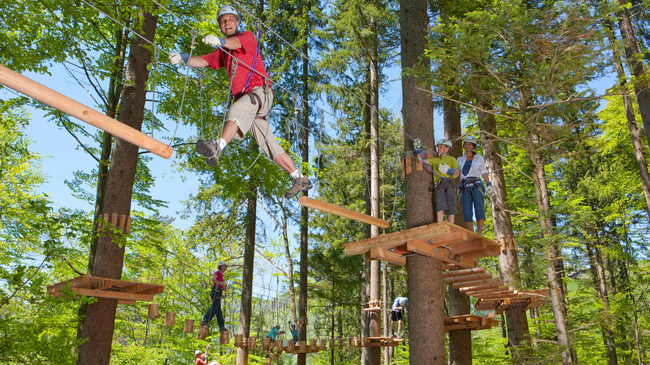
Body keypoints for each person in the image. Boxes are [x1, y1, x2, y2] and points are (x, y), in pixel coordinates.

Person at [169, 5, 312, 199]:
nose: (226, 23)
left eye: (230, 19)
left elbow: (235, 43)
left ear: (237, 22)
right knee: (267, 144)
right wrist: (183, 59)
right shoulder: (222, 52)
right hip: (249, 105)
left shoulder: (248, 37)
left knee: (237, 108)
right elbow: (205, 60)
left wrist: (220, 41)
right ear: (220, 25)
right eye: (222, 21)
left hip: (260, 92)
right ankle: (298, 177)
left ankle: (217, 146)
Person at [457, 136, 493, 235]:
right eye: (466, 144)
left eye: (470, 144)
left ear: (473, 146)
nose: (467, 146)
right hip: (464, 186)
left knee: (479, 208)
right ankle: (471, 234)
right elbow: (456, 173)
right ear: (464, 146)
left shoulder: (479, 158)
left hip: (476, 184)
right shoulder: (459, 159)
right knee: (466, 211)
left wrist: (488, 183)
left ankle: (479, 233)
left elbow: (483, 171)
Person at [426, 139, 460, 223]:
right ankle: (440, 223)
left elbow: (456, 174)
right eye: (438, 147)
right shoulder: (435, 160)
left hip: (449, 183)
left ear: (447, 148)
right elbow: (423, 161)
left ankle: (451, 224)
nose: (439, 149)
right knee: (440, 204)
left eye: (441, 147)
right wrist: (418, 152)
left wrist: (449, 171)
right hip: (439, 185)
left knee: (451, 204)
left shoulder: (452, 159)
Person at [200, 261, 228, 331]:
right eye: (223, 266)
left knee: (218, 311)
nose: (224, 268)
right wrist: (220, 283)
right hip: (216, 291)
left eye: (225, 267)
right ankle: (205, 320)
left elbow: (222, 286)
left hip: (219, 291)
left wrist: (225, 288)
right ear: (220, 267)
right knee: (214, 307)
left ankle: (221, 326)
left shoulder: (221, 276)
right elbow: (213, 279)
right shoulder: (218, 273)